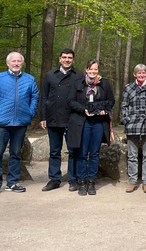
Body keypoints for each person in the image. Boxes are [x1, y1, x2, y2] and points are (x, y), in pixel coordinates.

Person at [0, 52, 39, 196]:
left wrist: (30, 112)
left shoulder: (29, 79)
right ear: (8, 63)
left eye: (19, 61)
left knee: (16, 154)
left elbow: (35, 97)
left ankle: (12, 182)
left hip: (20, 123)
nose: (16, 63)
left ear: (22, 63)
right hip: (1, 123)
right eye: (13, 61)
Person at [40, 48, 84, 192]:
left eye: (69, 58)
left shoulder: (79, 75)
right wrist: (43, 117)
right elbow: (44, 97)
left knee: (73, 151)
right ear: (60, 59)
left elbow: (82, 97)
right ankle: (54, 179)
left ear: (73, 60)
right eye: (64, 57)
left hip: (72, 118)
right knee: (54, 151)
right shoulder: (50, 75)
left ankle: (73, 179)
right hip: (53, 117)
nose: (67, 60)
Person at [67, 59, 114, 196]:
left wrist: (105, 109)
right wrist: (83, 110)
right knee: (82, 153)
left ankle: (92, 181)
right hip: (83, 122)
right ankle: (82, 182)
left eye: (95, 69)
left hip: (98, 122)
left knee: (94, 153)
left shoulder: (104, 83)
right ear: (86, 70)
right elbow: (70, 101)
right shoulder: (78, 83)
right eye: (90, 69)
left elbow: (111, 101)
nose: (93, 72)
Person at [121, 64, 146, 193]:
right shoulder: (128, 88)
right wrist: (126, 120)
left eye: (143, 73)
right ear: (134, 74)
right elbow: (124, 106)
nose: (141, 75)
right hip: (132, 124)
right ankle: (132, 181)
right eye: (139, 73)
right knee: (132, 155)